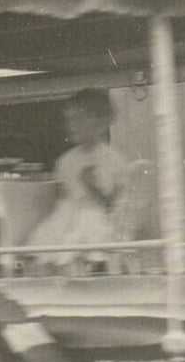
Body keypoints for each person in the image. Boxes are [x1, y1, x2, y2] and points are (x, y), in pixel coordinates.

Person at [27, 88, 130, 271]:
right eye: (69, 120)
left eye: (79, 119)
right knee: (51, 237)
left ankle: (84, 272)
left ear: (99, 122)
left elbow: (116, 206)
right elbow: (61, 198)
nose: (72, 125)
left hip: (100, 219)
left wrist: (93, 188)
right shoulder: (65, 161)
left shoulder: (113, 159)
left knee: (85, 228)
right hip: (67, 215)